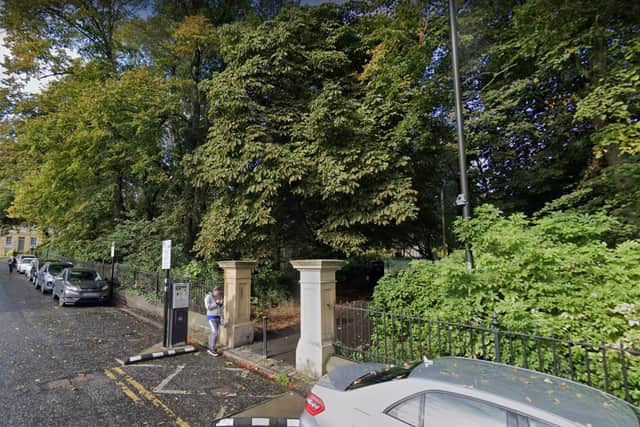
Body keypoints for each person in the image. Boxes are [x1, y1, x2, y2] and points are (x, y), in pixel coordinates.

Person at [204, 286, 224, 357]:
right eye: (217, 292)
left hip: (218, 317)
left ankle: (211, 347)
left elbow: (220, 308)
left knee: (214, 333)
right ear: (214, 291)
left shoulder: (218, 297)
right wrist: (216, 303)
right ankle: (211, 349)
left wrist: (221, 304)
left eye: (219, 292)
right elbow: (208, 307)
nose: (218, 293)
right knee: (215, 332)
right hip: (211, 317)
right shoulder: (208, 297)